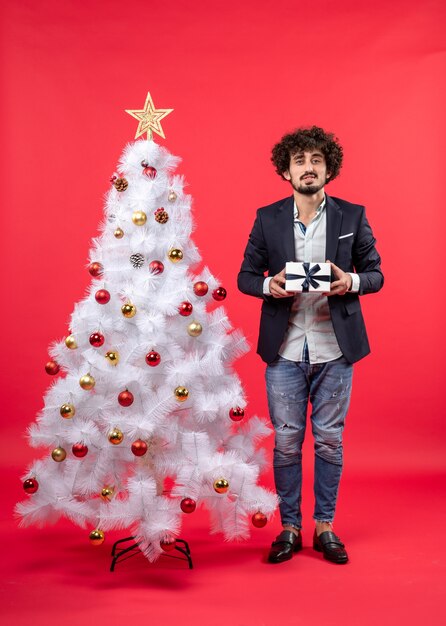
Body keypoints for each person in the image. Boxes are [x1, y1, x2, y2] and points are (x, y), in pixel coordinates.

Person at [237, 126, 383, 564]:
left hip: (336, 349)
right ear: (286, 171)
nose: (308, 168)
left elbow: (376, 274)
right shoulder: (267, 217)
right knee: (285, 442)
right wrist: (269, 286)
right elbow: (245, 276)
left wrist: (349, 281)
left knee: (329, 442)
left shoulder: (352, 216)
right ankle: (289, 527)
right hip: (283, 349)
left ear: (328, 168)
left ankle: (325, 527)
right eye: (299, 161)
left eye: (316, 160)